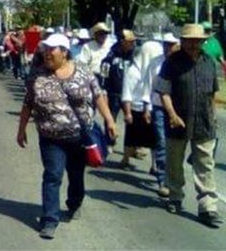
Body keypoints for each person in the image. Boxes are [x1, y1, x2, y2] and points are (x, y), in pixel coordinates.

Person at [17, 34, 117, 239]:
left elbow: (98, 96)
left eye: (51, 50)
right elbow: (28, 102)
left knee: (76, 174)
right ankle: (50, 219)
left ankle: (74, 202)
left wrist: (110, 120)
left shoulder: (83, 72)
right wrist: (21, 129)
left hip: (80, 137)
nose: (47, 53)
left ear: (64, 52)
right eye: (45, 49)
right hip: (50, 137)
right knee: (53, 175)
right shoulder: (37, 75)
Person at [155, 23, 223, 228]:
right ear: (182, 41)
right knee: (174, 161)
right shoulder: (171, 62)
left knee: (205, 163)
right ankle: (175, 196)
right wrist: (172, 114)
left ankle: (207, 206)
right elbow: (163, 91)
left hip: (203, 121)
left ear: (203, 42)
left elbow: (212, 92)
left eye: (198, 41)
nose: (194, 44)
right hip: (178, 121)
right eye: (189, 40)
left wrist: (213, 117)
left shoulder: (209, 62)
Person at [142, 33, 180, 197]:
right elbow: (147, 85)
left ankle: (175, 180)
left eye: (171, 44)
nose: (168, 47)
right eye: (166, 44)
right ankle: (163, 180)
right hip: (158, 107)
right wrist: (146, 107)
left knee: (176, 146)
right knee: (162, 143)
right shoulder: (155, 63)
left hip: (177, 109)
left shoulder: (180, 63)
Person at [120, 40, 162, 169]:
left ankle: (154, 165)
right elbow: (127, 93)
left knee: (155, 139)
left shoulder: (158, 69)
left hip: (152, 109)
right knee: (131, 137)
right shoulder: (133, 71)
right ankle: (125, 159)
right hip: (136, 109)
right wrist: (127, 113)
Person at [100, 29, 136, 149]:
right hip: (114, 92)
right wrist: (103, 90)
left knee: (133, 120)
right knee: (111, 118)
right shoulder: (110, 56)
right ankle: (109, 142)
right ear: (122, 41)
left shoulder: (134, 56)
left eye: (133, 41)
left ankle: (132, 147)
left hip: (130, 93)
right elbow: (104, 74)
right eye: (129, 41)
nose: (132, 44)